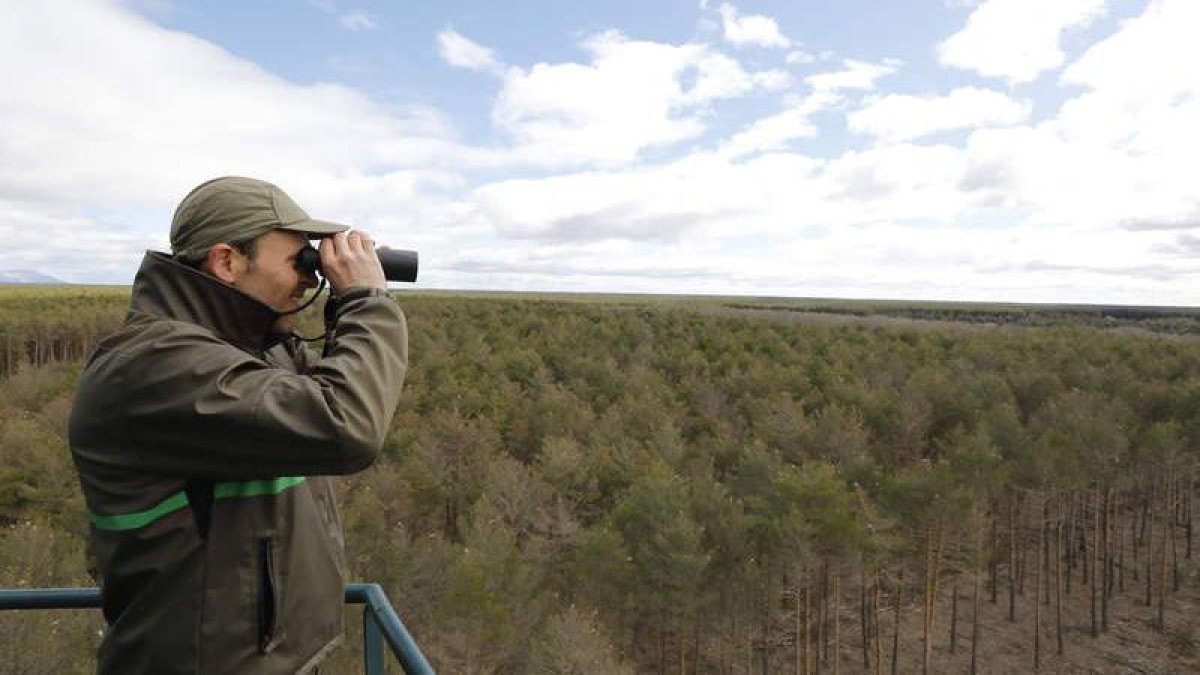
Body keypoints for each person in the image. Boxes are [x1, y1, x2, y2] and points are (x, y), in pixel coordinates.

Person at [68, 176, 408, 674]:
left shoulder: (252, 349)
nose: (312, 279)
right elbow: (347, 424)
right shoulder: (154, 365)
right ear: (227, 261)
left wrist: (339, 302)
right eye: (299, 261)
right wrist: (365, 301)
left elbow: (344, 388)